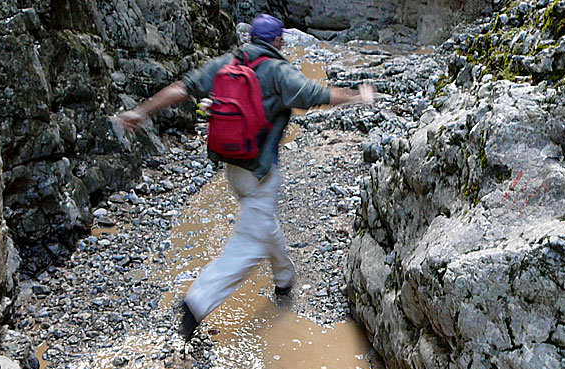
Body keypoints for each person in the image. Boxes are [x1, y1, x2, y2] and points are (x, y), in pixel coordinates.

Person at [117, 14, 376, 341]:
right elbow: (317, 95)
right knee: (250, 245)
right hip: (260, 174)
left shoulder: (229, 62)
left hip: (233, 169)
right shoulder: (278, 71)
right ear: (278, 41)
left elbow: (183, 88)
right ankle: (198, 302)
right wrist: (357, 96)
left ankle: (284, 277)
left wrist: (140, 112)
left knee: (262, 222)